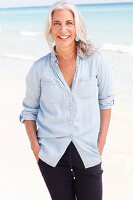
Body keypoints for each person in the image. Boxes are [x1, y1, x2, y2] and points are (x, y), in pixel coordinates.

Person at [19, 1, 115, 199]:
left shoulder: (96, 61)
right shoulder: (39, 69)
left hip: (88, 152)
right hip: (52, 156)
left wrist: (101, 143)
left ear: (77, 26)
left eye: (69, 23)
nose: (63, 29)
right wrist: (35, 147)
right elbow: (29, 110)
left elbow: (105, 101)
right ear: (50, 28)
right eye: (57, 23)